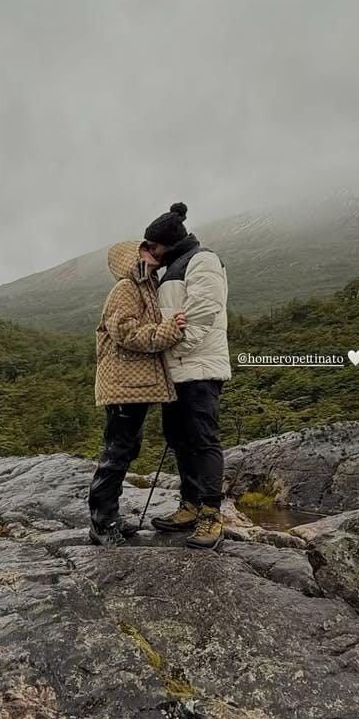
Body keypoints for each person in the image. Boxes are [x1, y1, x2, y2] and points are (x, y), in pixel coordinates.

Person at [88, 240, 187, 547]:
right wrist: (167, 331)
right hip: (122, 386)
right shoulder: (126, 289)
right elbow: (125, 331)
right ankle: (101, 524)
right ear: (133, 258)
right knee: (116, 453)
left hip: (133, 386)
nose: (153, 252)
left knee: (126, 450)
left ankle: (110, 517)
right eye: (146, 249)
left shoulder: (145, 286)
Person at [144, 203, 231, 550]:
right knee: (178, 438)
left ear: (167, 243)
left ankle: (211, 514)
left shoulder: (203, 260)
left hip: (199, 368)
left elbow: (202, 314)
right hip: (177, 371)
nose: (150, 252)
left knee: (202, 440)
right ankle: (191, 505)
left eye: (152, 246)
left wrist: (171, 346)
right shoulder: (170, 268)